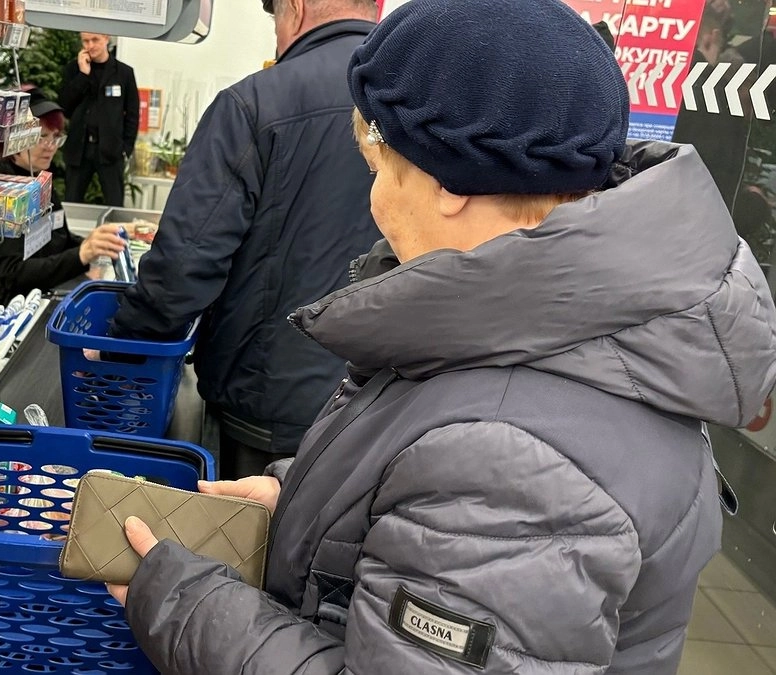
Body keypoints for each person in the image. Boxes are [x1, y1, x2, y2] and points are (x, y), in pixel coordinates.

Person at [104, 1, 776, 673]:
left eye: (379, 166)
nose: (375, 199)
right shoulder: (542, 335)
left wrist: (184, 604)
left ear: (449, 181)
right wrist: (307, 511)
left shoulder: (513, 466)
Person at [105, 0, 380, 478]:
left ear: (295, 8)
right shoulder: (421, 104)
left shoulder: (256, 103)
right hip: (384, 407)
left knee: (254, 525)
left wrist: (121, 350)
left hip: (268, 408)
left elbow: (185, 265)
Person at [0, 89, 127, 305]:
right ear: (13, 138)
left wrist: (99, 243)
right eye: (41, 137)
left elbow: (61, 238)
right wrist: (82, 254)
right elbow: (12, 273)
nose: (50, 147)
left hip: (39, 292)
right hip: (2, 306)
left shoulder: (38, 178)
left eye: (55, 137)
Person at [59, 32, 138, 207]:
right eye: (85, 41)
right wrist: (83, 75)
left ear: (106, 38)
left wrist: (126, 148)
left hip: (111, 151)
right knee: (72, 203)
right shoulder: (73, 69)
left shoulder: (124, 73)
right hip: (79, 150)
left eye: (95, 40)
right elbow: (65, 106)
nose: (90, 45)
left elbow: (132, 114)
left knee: (115, 203)